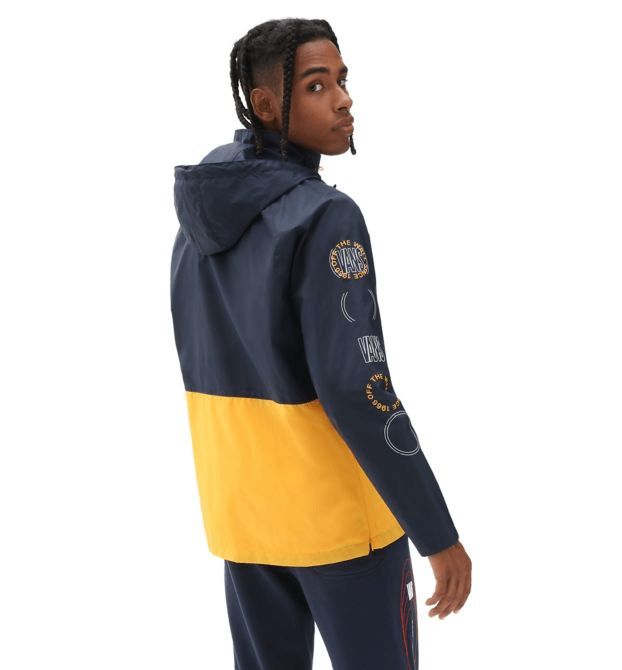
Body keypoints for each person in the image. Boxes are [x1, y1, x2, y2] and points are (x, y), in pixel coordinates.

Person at [170, 18, 471, 670]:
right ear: (265, 104)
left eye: (341, 80)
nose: (343, 100)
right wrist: (435, 532)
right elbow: (358, 389)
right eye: (315, 85)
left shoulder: (206, 203)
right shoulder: (326, 215)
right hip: (341, 525)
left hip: (243, 517)